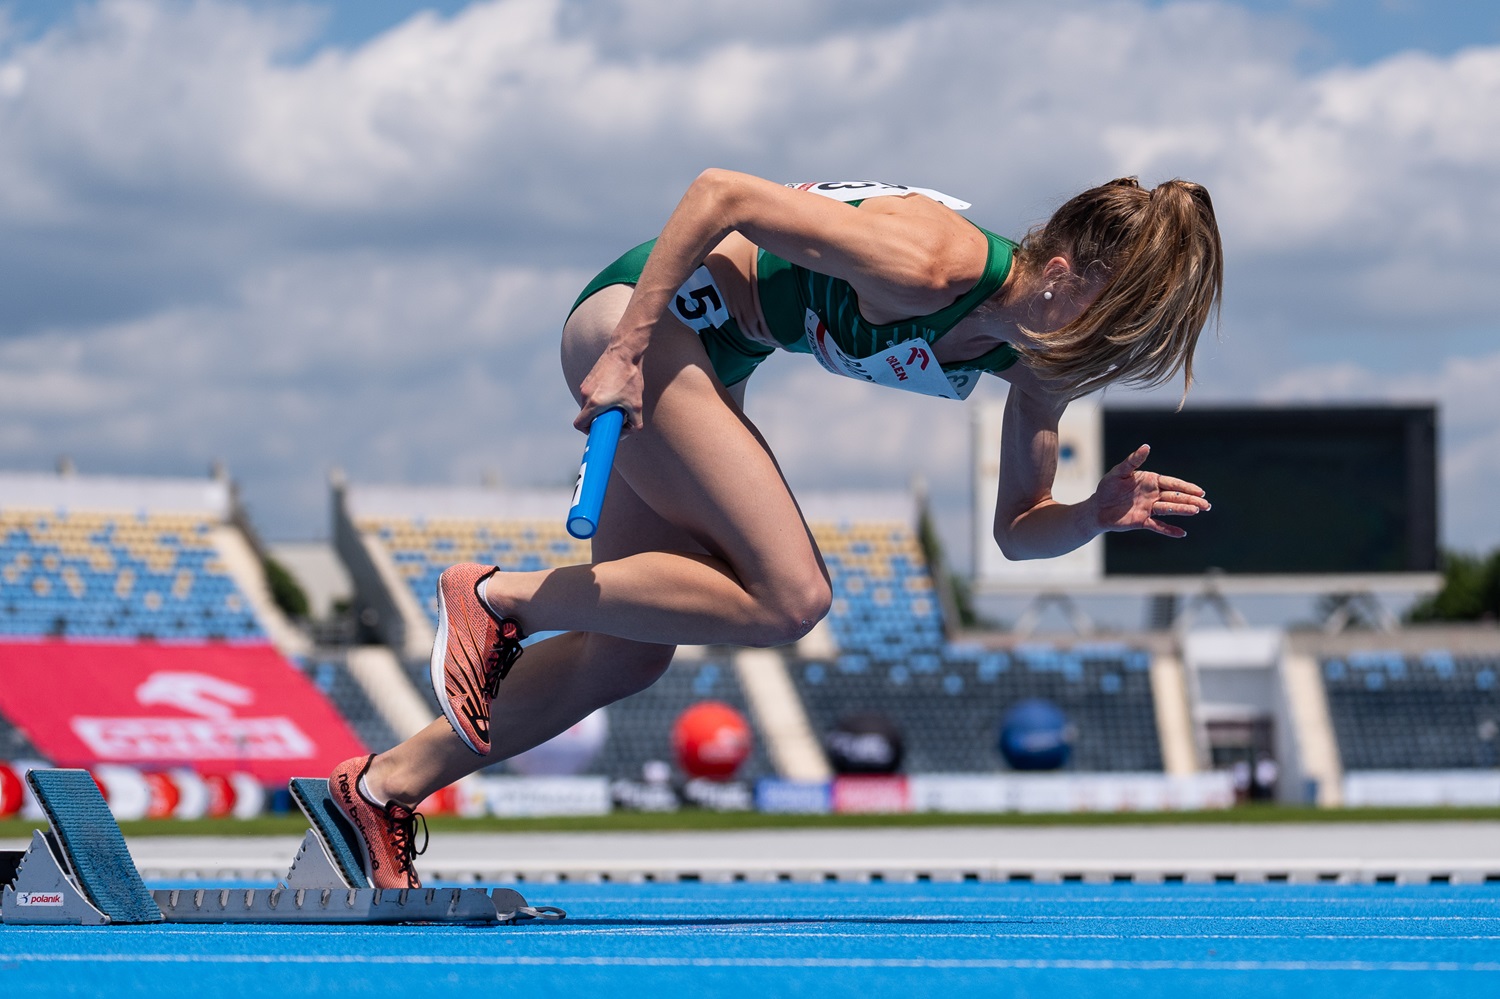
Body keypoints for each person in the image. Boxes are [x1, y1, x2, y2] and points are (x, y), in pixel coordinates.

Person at [322, 170, 1223, 887]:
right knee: (793, 595)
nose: (1094, 363)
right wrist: (627, 351)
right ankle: (499, 596)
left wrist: (1090, 515)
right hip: (643, 321)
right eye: (1105, 334)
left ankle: (378, 788)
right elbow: (721, 193)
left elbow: (1018, 532)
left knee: (627, 655)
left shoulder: (1036, 357)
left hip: (711, 356)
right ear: (1060, 276)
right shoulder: (933, 261)